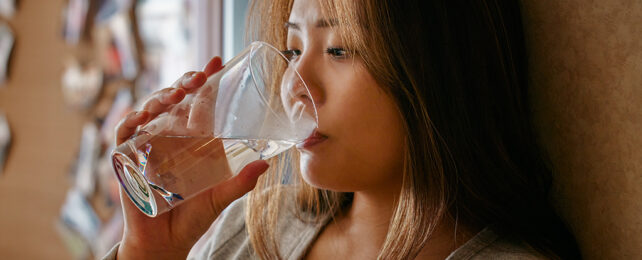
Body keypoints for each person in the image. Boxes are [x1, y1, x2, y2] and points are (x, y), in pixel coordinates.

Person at [106, 0, 582, 259]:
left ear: (438, 72)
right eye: (293, 49)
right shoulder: (251, 227)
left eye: (339, 50)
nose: (294, 85)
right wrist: (151, 253)